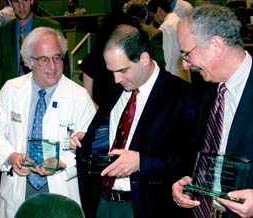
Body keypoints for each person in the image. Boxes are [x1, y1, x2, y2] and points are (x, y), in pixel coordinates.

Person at [172, 4, 253, 218]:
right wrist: (190, 180)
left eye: (186, 54)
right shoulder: (205, 93)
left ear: (216, 45)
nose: (185, 65)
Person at [71, 24, 198, 218]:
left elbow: (190, 161)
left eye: (123, 70)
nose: (115, 79)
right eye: (111, 71)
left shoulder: (181, 96)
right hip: (103, 204)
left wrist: (141, 162)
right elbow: (114, 133)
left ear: (144, 59)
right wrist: (90, 140)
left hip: (147, 207)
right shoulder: (118, 87)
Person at [0, 27, 96, 218]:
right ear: (28, 62)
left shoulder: (79, 96)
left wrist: (64, 163)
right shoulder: (11, 90)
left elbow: (91, 147)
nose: (53, 65)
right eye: (44, 59)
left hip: (60, 186)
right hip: (19, 184)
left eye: (57, 57)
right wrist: (11, 156)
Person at [0, 0, 69, 95]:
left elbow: (63, 67)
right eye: (16, 2)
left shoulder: (51, 27)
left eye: (25, 1)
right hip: (12, 95)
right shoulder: (1, 33)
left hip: (45, 93)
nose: (21, 7)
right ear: (10, 3)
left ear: (31, 1)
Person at [147, 0, 191, 81]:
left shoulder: (166, 27)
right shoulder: (180, 21)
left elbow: (166, 59)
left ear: (159, 10)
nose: (154, 20)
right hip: (184, 75)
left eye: (153, 16)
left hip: (172, 77)